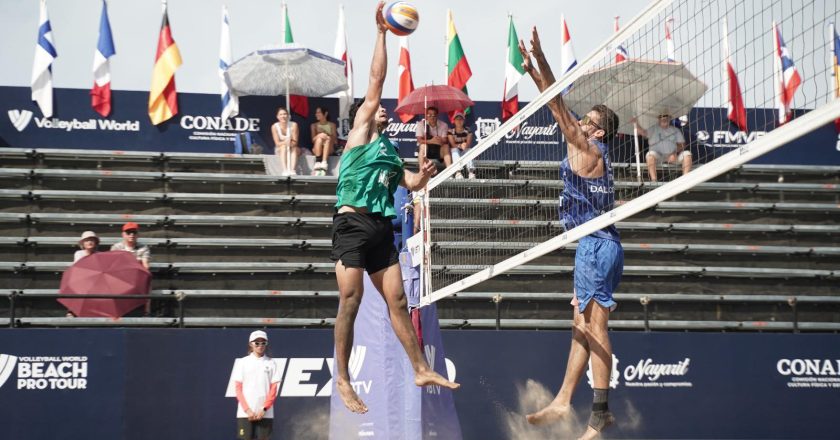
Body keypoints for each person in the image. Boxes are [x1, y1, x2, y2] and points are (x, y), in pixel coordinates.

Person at [331, 1, 459, 414]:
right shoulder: (362, 132)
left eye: (382, 108)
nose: (383, 107)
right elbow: (376, 78)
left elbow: (412, 183)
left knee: (399, 303)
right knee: (349, 300)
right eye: (377, 107)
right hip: (352, 225)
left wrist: (424, 173)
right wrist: (383, 33)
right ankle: (344, 378)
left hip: (382, 229)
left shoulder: (388, 150)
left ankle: (420, 368)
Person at [518, 28, 623, 440]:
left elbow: (557, 105)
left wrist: (542, 64)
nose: (581, 122)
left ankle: (599, 415)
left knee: (595, 328)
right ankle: (564, 400)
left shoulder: (589, 149)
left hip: (598, 247)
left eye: (590, 121)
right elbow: (557, 103)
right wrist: (537, 70)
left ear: (599, 132)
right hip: (592, 246)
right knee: (580, 325)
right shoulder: (587, 147)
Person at [232, 330, 281, 440]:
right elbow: (238, 389)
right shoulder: (242, 362)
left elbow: (273, 390)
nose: (260, 345)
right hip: (245, 414)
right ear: (251, 344)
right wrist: (247, 410)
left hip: (265, 413)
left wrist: (264, 409)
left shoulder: (271, 363)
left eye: (263, 343)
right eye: (257, 343)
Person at [632, 113, 691, 182]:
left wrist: (674, 153)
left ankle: (685, 180)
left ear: (669, 119)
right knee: (650, 155)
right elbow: (642, 132)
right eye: (662, 117)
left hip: (673, 157)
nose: (664, 119)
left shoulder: (676, 130)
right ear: (659, 119)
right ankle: (654, 180)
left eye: (666, 117)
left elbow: (682, 144)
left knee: (687, 154)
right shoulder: (653, 128)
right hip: (658, 157)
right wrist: (635, 123)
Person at [415, 106, 451, 170]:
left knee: (446, 146)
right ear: (426, 115)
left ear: (437, 116)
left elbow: (445, 140)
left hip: (438, 149)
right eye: (430, 115)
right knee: (423, 146)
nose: (432, 117)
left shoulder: (444, 125)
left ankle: (449, 171)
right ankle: (422, 171)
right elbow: (419, 140)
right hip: (426, 150)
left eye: (434, 115)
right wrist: (431, 141)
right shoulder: (421, 124)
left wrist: (437, 139)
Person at [447, 110, 477, 179]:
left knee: (468, 150)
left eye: (461, 119)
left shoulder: (468, 130)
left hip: (464, 151)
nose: (459, 121)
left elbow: (468, 144)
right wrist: (461, 145)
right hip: (454, 154)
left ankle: (471, 172)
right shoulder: (450, 131)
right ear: (454, 121)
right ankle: (458, 172)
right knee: (454, 150)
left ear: (463, 121)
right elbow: (453, 144)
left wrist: (465, 146)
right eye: (457, 119)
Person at [271, 107, 300, 176]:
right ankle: (285, 170)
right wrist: (286, 142)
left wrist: (289, 143)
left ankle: (293, 170)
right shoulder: (274, 127)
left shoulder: (294, 125)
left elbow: (295, 142)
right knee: (283, 146)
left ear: (288, 116)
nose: (283, 116)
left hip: (292, 147)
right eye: (280, 114)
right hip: (280, 149)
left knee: (294, 148)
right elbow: (277, 144)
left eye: (285, 114)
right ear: (277, 117)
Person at [310, 106, 337, 176]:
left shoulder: (332, 125)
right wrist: (319, 135)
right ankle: (318, 162)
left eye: (319, 112)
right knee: (319, 139)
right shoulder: (314, 125)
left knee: (327, 139)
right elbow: (313, 140)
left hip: (329, 147)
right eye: (316, 113)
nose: (316, 114)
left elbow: (335, 140)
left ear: (325, 114)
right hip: (317, 148)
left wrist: (326, 135)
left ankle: (324, 163)